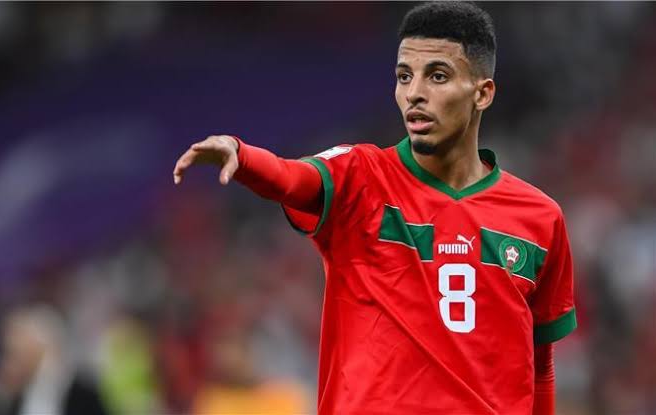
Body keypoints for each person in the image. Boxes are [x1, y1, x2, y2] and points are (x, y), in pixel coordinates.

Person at [173, 2, 576, 414]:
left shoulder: (539, 218)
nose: (415, 93)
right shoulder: (360, 176)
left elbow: (539, 363)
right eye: (404, 76)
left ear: (482, 93)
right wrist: (242, 154)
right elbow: (293, 178)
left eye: (437, 76)